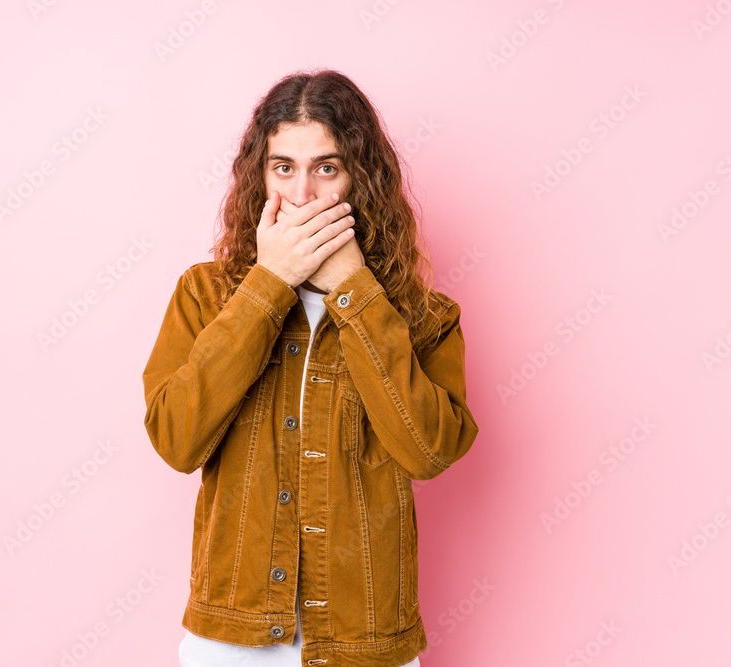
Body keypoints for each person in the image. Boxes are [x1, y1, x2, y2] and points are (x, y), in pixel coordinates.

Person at [142, 69, 479, 667]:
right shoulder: (206, 296)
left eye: (326, 167)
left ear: (360, 178)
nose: (302, 194)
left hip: (365, 640)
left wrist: (355, 290)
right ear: (260, 175)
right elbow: (176, 439)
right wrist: (268, 284)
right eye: (283, 168)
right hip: (232, 638)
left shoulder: (423, 317)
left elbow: (429, 452)